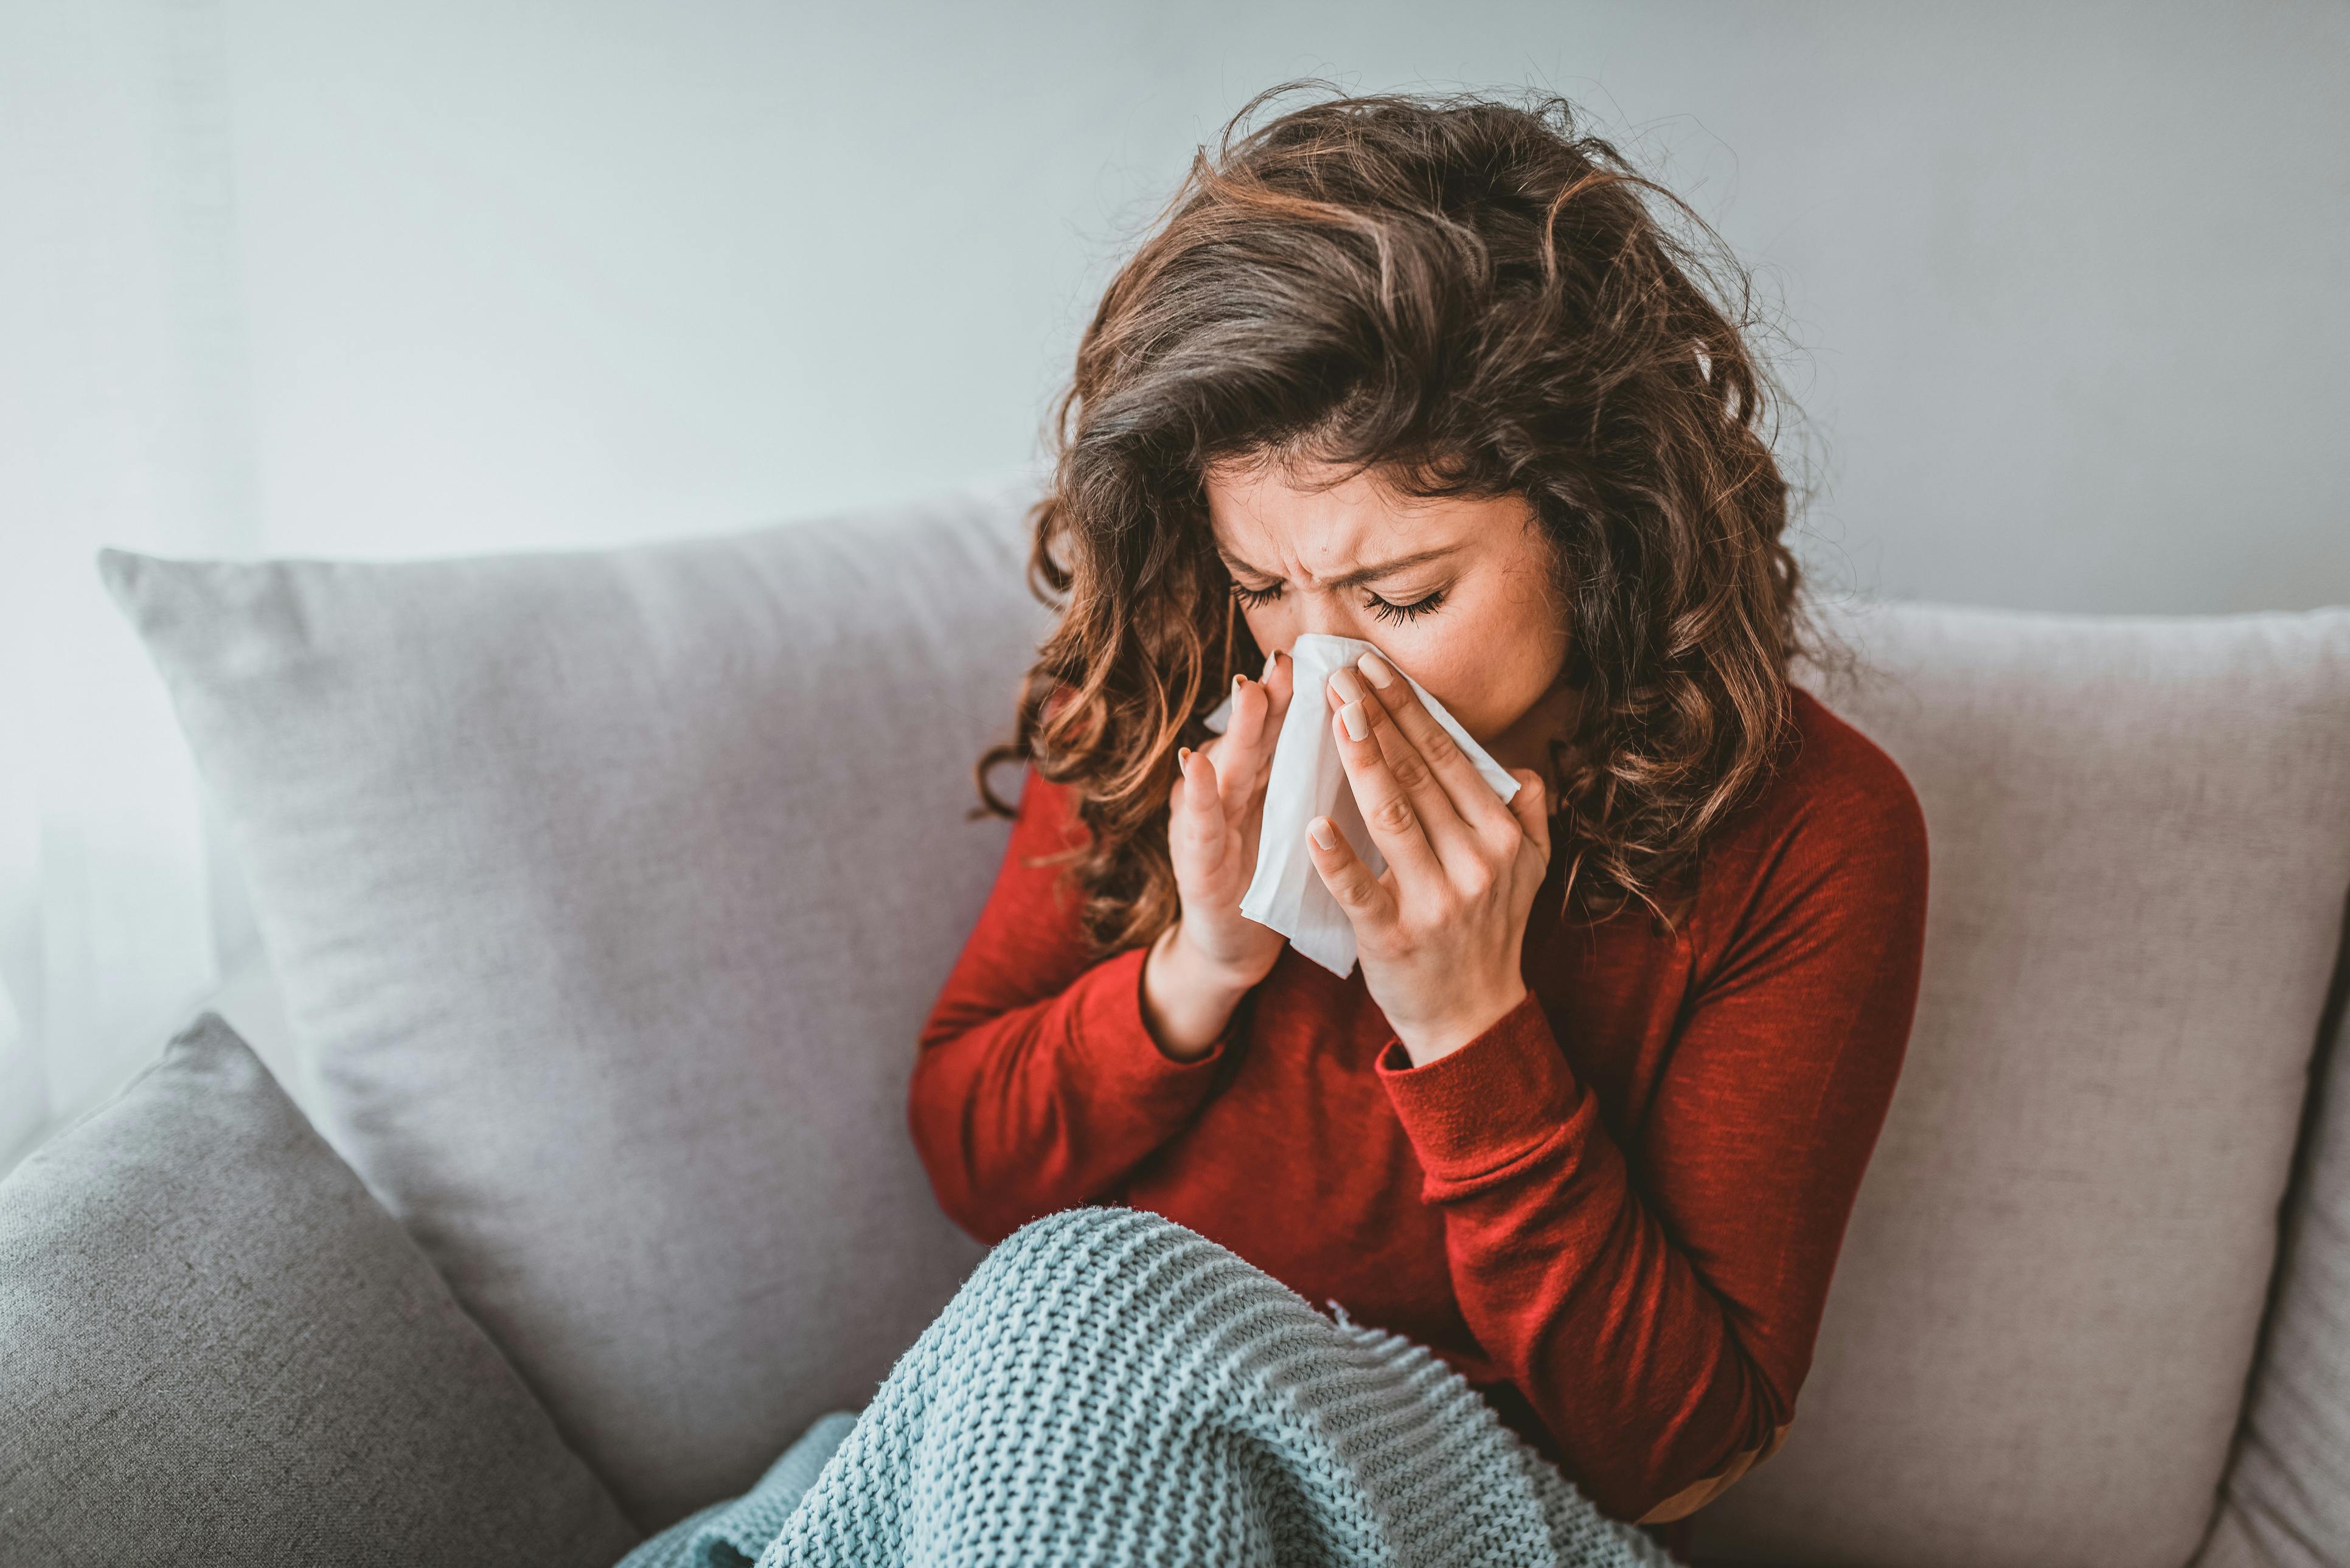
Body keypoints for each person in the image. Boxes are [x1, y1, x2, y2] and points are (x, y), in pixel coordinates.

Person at [907, 84, 1930, 1558]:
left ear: (1599, 529)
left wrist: (1469, 1029)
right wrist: (1197, 969)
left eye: (1403, 596)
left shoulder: (1809, 834)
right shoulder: (1172, 688)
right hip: (1085, 1436)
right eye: (1266, 586)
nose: (1324, 660)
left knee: (1075, 1298)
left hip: (1466, 1510)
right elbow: (968, 1162)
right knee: (1037, 1319)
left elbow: (1680, 1452)